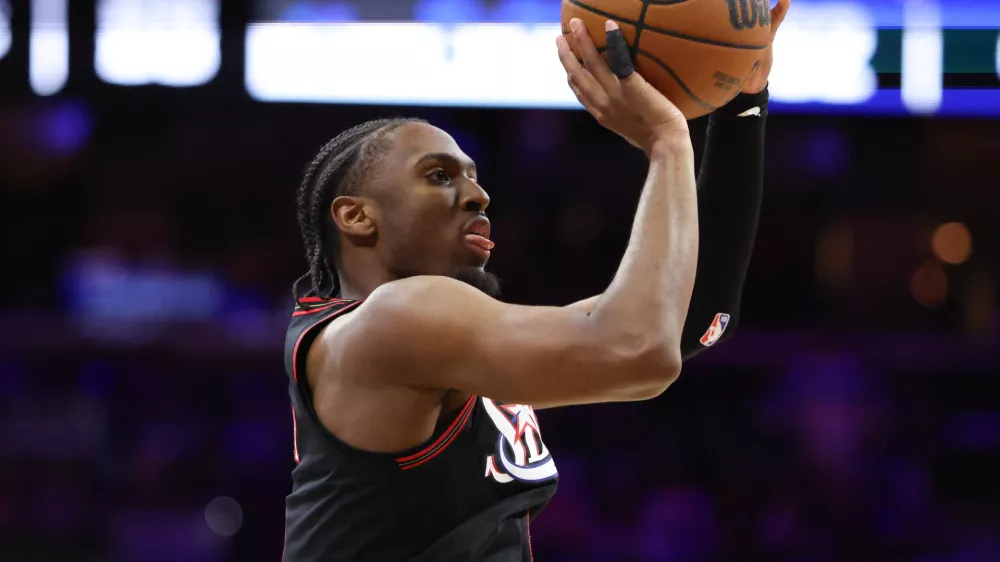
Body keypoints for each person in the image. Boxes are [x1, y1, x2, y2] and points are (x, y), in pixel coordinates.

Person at [282, 3, 790, 560]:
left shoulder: (435, 338)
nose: (478, 195)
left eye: (474, 177)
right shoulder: (392, 319)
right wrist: (668, 142)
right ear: (356, 216)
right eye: (438, 176)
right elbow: (641, 350)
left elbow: (696, 319)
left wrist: (743, 103)